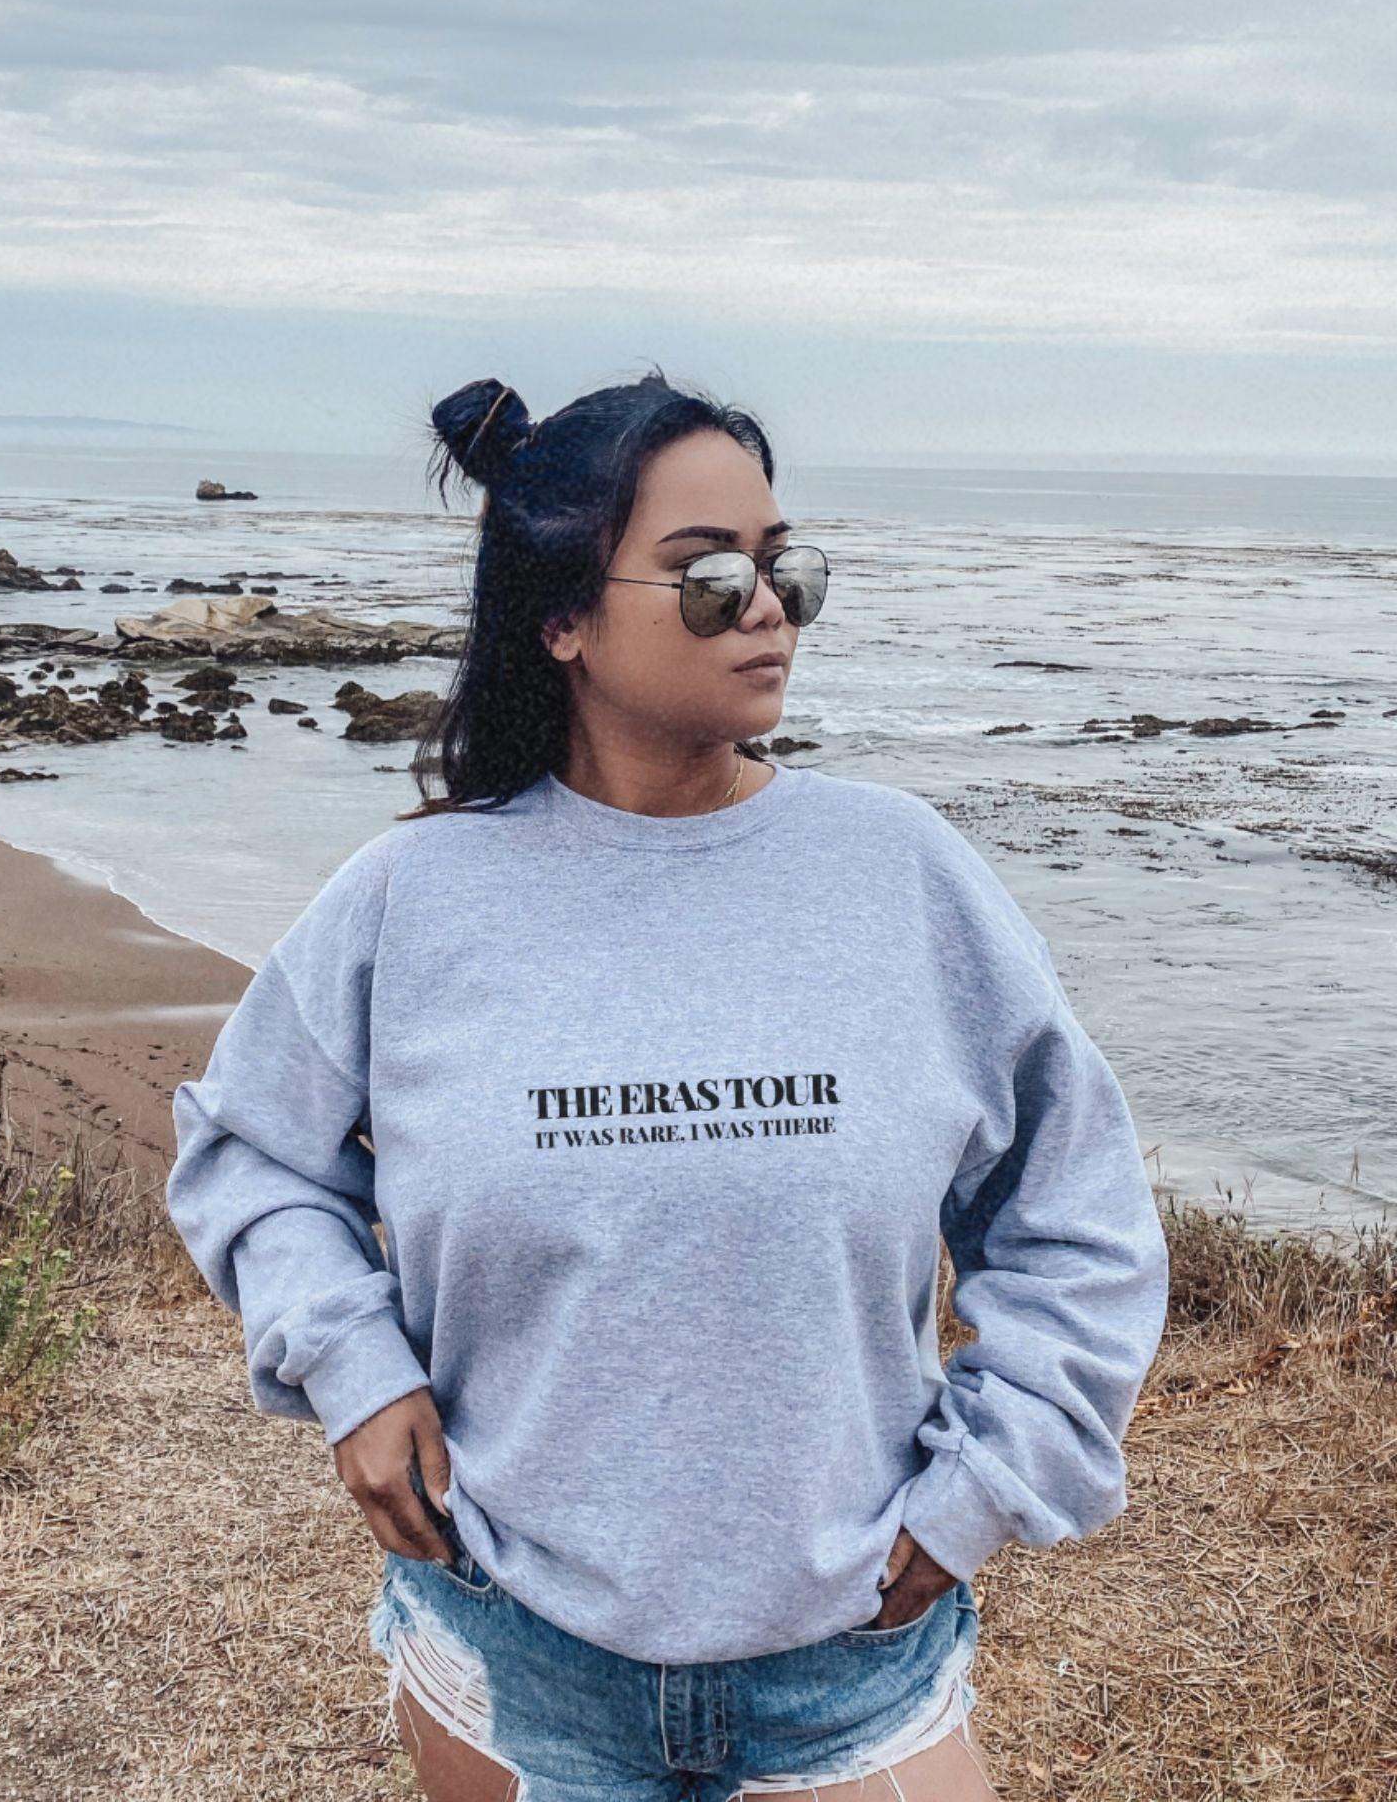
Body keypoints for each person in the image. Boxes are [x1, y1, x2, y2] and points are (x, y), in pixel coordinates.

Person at [165, 367, 1171, 1802]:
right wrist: (353, 1366)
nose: (764, 607)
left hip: (851, 1665)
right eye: (707, 578)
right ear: (562, 618)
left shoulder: (901, 874)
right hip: (519, 1658)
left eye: (781, 567)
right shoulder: (414, 898)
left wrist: (984, 1488)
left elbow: (1078, 1213)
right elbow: (250, 1151)